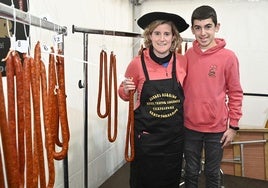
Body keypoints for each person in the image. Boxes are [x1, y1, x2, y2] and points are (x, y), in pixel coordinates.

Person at [118, 11, 189, 188]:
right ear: (149, 35)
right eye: (157, 33)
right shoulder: (137, 63)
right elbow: (123, 92)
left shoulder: (182, 62)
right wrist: (125, 90)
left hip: (174, 139)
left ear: (174, 37)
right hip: (147, 140)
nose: (162, 39)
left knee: (170, 182)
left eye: (166, 33)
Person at [183, 5, 243, 188]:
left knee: (212, 172)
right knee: (191, 171)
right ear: (192, 29)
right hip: (189, 126)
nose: (203, 33)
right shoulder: (187, 55)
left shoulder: (228, 57)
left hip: (216, 129)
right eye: (198, 27)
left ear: (216, 27)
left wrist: (233, 126)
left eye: (207, 26)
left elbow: (235, 92)